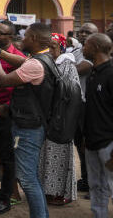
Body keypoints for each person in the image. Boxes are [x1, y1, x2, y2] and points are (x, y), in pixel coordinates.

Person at [0, 22, 53, 218]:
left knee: (27, 179)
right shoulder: (42, 59)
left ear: (33, 39)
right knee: (31, 176)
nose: (22, 39)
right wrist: (0, 53)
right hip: (32, 124)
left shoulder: (35, 64)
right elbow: (22, 61)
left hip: (28, 127)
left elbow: (3, 80)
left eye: (25, 37)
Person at [0, 20, 26, 214]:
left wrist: (9, 106)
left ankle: (5, 198)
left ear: (10, 37)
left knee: (7, 158)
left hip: (5, 115)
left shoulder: (17, 57)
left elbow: (23, 89)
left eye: (0, 33)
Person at [38, 33, 77, 206]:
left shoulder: (67, 63)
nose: (50, 50)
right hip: (49, 117)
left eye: (53, 47)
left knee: (60, 157)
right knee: (46, 156)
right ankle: (48, 190)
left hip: (60, 120)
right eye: (48, 47)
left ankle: (60, 192)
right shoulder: (49, 62)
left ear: (61, 48)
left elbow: (69, 92)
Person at [82, 33, 113, 218]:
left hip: (109, 144)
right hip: (92, 142)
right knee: (96, 185)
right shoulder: (94, 72)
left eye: (85, 44)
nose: (83, 48)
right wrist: (86, 137)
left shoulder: (110, 73)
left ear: (95, 47)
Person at [74, 22, 97, 193]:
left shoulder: (92, 54)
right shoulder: (76, 51)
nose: (82, 34)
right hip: (75, 103)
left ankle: (94, 184)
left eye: (87, 32)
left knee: (88, 144)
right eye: (80, 31)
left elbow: (78, 70)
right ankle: (85, 179)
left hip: (86, 103)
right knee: (79, 142)